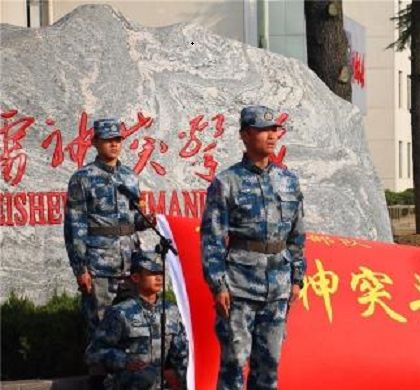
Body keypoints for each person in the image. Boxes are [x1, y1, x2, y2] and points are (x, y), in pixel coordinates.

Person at [201, 105, 306, 390]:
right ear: (245, 135)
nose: (272, 136)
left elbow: (297, 234)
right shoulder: (226, 183)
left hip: (277, 288)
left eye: (275, 130)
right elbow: (212, 238)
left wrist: (297, 277)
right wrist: (218, 285)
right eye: (263, 130)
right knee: (234, 364)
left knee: (268, 368)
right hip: (239, 288)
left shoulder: (288, 181)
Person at [64, 118, 154, 387]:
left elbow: (132, 221)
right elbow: (75, 227)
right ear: (95, 142)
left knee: (132, 326)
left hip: (130, 266)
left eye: (118, 139)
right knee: (101, 329)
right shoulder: (83, 178)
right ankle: (99, 381)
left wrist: (148, 220)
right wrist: (81, 268)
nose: (114, 144)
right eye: (108, 139)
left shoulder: (129, 177)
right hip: (99, 264)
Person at [86, 251, 188, 390]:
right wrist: (125, 361)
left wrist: (180, 371)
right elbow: (94, 352)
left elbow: (182, 349)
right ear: (136, 277)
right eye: (152, 273)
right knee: (147, 376)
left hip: (162, 379)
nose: (158, 277)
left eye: (160, 272)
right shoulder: (120, 313)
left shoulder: (171, 310)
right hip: (131, 381)